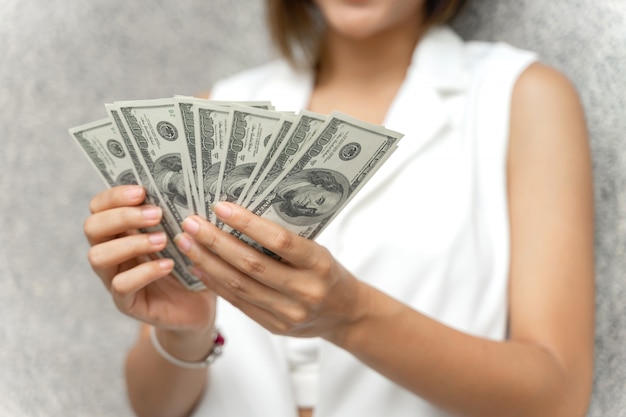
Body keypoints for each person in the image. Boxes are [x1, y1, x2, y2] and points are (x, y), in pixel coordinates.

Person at [82, 1, 595, 416]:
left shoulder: (520, 97)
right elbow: (153, 408)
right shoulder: (216, 108)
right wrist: (186, 331)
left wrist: (351, 317)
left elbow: (558, 398)